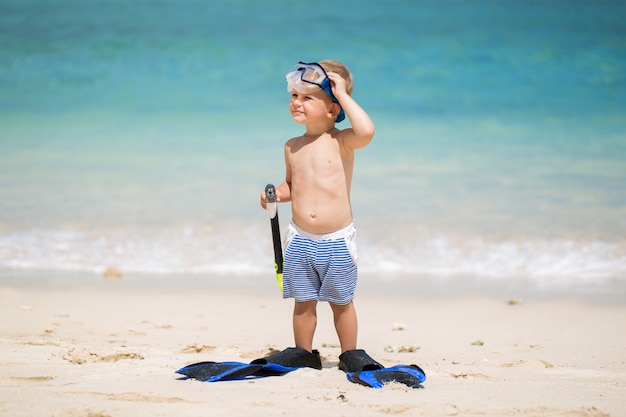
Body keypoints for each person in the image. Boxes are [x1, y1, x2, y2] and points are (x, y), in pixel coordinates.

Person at [260, 60, 375, 355]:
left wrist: (344, 95)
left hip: (335, 240)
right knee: (303, 302)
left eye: (307, 97)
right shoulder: (291, 146)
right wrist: (275, 195)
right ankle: (302, 352)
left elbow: (366, 131)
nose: (296, 102)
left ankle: (350, 353)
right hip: (300, 239)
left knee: (341, 302)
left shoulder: (341, 141)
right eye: (294, 96)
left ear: (333, 109)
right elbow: (291, 185)